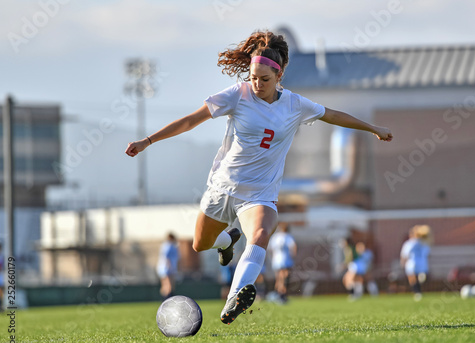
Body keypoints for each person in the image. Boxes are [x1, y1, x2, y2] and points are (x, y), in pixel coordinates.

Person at [125, 30, 393, 324]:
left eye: (264, 79)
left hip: (260, 194)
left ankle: (233, 300)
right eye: (253, 76)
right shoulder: (237, 95)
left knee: (261, 234)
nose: (257, 83)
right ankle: (226, 242)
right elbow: (191, 120)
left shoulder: (294, 105)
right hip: (223, 187)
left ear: (279, 75)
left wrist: (373, 128)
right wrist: (148, 141)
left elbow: (333, 115)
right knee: (200, 244)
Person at [400, 225, 432, 301]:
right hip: (422, 263)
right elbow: (427, 253)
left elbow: (405, 254)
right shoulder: (424, 243)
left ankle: (417, 292)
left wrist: (402, 262)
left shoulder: (409, 243)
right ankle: (420, 282)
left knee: (412, 278)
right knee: (420, 278)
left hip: (412, 263)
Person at [268, 223, 297, 303]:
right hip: (286, 260)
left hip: (276, 260)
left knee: (278, 278)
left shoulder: (275, 237)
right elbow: (293, 247)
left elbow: (270, 249)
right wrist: (293, 256)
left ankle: (277, 293)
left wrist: (273, 257)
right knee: (284, 277)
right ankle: (282, 294)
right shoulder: (287, 237)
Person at [156, 233, 180, 299]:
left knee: (165, 286)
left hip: (164, 268)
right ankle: (167, 300)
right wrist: (170, 267)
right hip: (167, 269)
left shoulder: (166, 245)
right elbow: (166, 257)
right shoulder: (169, 246)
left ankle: (164, 300)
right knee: (169, 286)